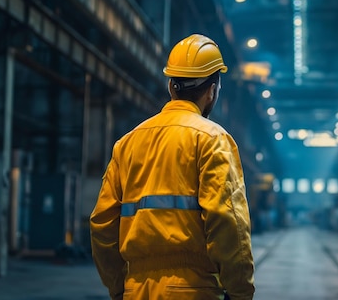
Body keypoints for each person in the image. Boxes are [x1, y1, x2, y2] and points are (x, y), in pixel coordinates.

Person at [90, 34, 255, 300]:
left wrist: (120, 287)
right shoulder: (212, 140)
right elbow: (227, 222)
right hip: (194, 290)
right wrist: (240, 292)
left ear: (171, 85)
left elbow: (102, 224)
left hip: (136, 291)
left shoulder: (127, 143)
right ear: (212, 89)